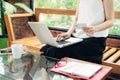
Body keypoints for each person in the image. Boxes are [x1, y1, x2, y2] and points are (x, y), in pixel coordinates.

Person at [25, 0, 114, 64]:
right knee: (46, 48)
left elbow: (110, 21)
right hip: (77, 38)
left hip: (94, 41)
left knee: (53, 51)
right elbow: (76, 19)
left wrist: (95, 28)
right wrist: (68, 33)